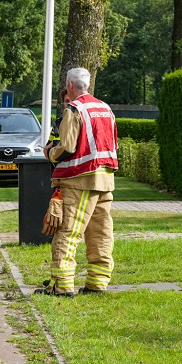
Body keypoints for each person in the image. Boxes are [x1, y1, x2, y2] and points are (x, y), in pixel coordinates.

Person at [35, 67, 119, 297]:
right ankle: (97, 283)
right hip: (105, 180)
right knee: (100, 234)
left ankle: (61, 287)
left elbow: (67, 147)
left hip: (79, 180)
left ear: (70, 86)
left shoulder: (74, 109)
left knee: (68, 232)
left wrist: (50, 153)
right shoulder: (105, 108)